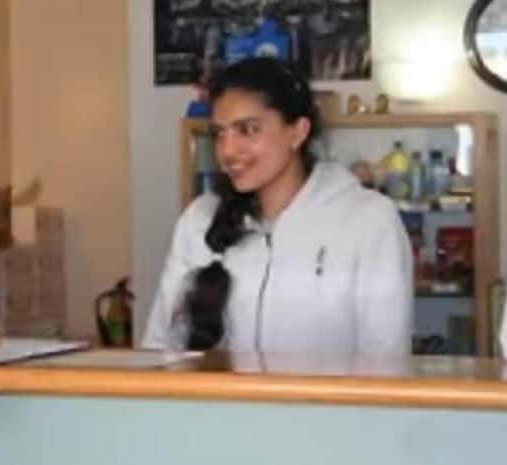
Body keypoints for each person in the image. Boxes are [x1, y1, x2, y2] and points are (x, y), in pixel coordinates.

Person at [142, 57, 412, 354]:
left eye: (248, 129)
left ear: (297, 131)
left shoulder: (369, 221)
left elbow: (386, 358)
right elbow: (160, 347)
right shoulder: (199, 220)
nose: (228, 151)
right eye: (219, 133)